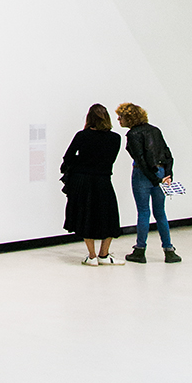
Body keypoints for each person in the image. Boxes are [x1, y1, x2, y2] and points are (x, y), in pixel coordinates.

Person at [115, 103, 182, 263]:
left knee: (144, 212)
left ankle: (140, 249)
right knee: (160, 212)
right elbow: (167, 154)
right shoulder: (155, 130)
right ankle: (169, 250)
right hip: (160, 172)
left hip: (142, 174)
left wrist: (155, 179)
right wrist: (167, 174)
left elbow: (141, 159)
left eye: (121, 116)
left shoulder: (133, 134)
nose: (118, 119)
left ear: (129, 117)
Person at [60, 104, 124, 265]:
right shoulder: (115, 138)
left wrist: (81, 162)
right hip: (103, 180)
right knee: (108, 215)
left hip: (82, 180)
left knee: (85, 215)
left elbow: (68, 157)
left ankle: (92, 255)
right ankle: (104, 254)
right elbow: (110, 160)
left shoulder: (82, 136)